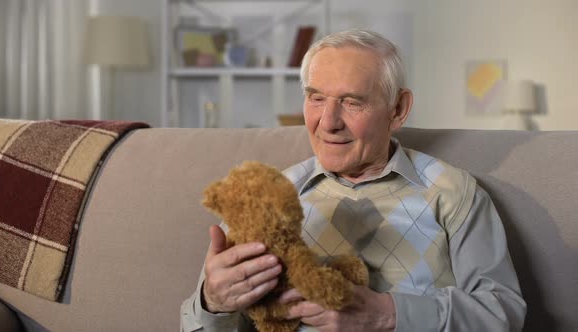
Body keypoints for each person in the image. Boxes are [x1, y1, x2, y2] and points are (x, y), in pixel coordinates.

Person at [181, 29, 526, 331]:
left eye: (351, 102)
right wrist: (213, 302)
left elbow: (503, 313)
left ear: (398, 110)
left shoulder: (453, 194)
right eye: (316, 98)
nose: (328, 122)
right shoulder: (269, 199)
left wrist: (388, 315)